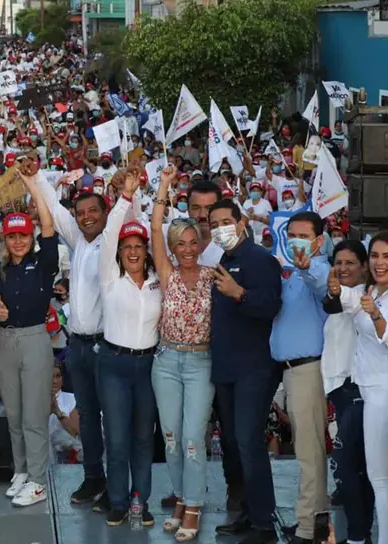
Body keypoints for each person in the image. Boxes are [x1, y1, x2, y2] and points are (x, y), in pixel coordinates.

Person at [329, 231, 388, 544]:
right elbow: (350, 302)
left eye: (387, 256)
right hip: (373, 388)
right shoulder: (376, 290)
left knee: (381, 478)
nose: (380, 262)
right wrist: (337, 289)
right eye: (375, 255)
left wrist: (376, 314)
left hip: (387, 392)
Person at [207, 200, 283, 544]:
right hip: (226, 367)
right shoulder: (224, 260)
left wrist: (239, 294)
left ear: (240, 223)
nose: (219, 228)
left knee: (250, 443)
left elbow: (270, 306)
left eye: (226, 221)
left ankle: (264, 524)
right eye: (214, 224)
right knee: (235, 444)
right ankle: (249, 513)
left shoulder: (259, 259)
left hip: (253, 368)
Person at [35, 163, 109, 507]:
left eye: (93, 210)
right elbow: (53, 205)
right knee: (88, 417)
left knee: (115, 419)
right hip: (78, 345)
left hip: (108, 345)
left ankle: (118, 486)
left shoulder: (113, 242)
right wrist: (34, 177)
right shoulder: (78, 241)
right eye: (80, 213)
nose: (86, 217)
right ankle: (93, 478)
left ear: (106, 213)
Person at [0, 162, 59, 507]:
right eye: (12, 236)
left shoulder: (44, 263)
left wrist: (32, 185)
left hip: (34, 340)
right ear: (5, 238)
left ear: (31, 238)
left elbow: (49, 225)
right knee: (13, 413)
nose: (18, 242)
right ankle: (21, 470)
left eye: (23, 236)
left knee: (33, 414)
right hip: (4, 340)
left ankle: (38, 479)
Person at [150, 167, 216, 541]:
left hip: (200, 363)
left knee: (193, 438)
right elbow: (155, 225)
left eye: (193, 242)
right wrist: (163, 185)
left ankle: (194, 506)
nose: (188, 249)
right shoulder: (167, 272)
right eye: (181, 244)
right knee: (172, 438)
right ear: (172, 247)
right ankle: (180, 498)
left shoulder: (212, 275)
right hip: (166, 362)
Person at [97, 169, 161, 527]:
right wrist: (125, 198)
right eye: (127, 247)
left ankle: (141, 499)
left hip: (149, 366)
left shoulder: (157, 281)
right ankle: (118, 501)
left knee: (143, 438)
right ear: (119, 253)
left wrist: (137, 197)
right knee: (118, 438)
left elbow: (149, 228)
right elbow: (110, 233)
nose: (133, 252)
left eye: (138, 246)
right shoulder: (110, 277)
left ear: (145, 250)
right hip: (114, 364)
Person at [270, 211, 331, 544]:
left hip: (308, 369)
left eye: (303, 236)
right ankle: (315, 519)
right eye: (291, 234)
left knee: (308, 452)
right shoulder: (291, 273)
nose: (295, 241)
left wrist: (306, 267)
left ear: (318, 241)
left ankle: (308, 528)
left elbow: (321, 285)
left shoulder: (318, 270)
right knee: (308, 450)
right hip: (292, 371)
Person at [321, 240, 375, 544]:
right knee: (357, 467)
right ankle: (361, 535)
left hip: (357, 389)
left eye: (350, 263)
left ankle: (356, 536)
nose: (342, 268)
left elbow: (345, 300)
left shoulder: (365, 297)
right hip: (340, 390)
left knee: (344, 463)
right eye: (338, 262)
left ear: (364, 267)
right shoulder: (340, 298)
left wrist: (336, 291)